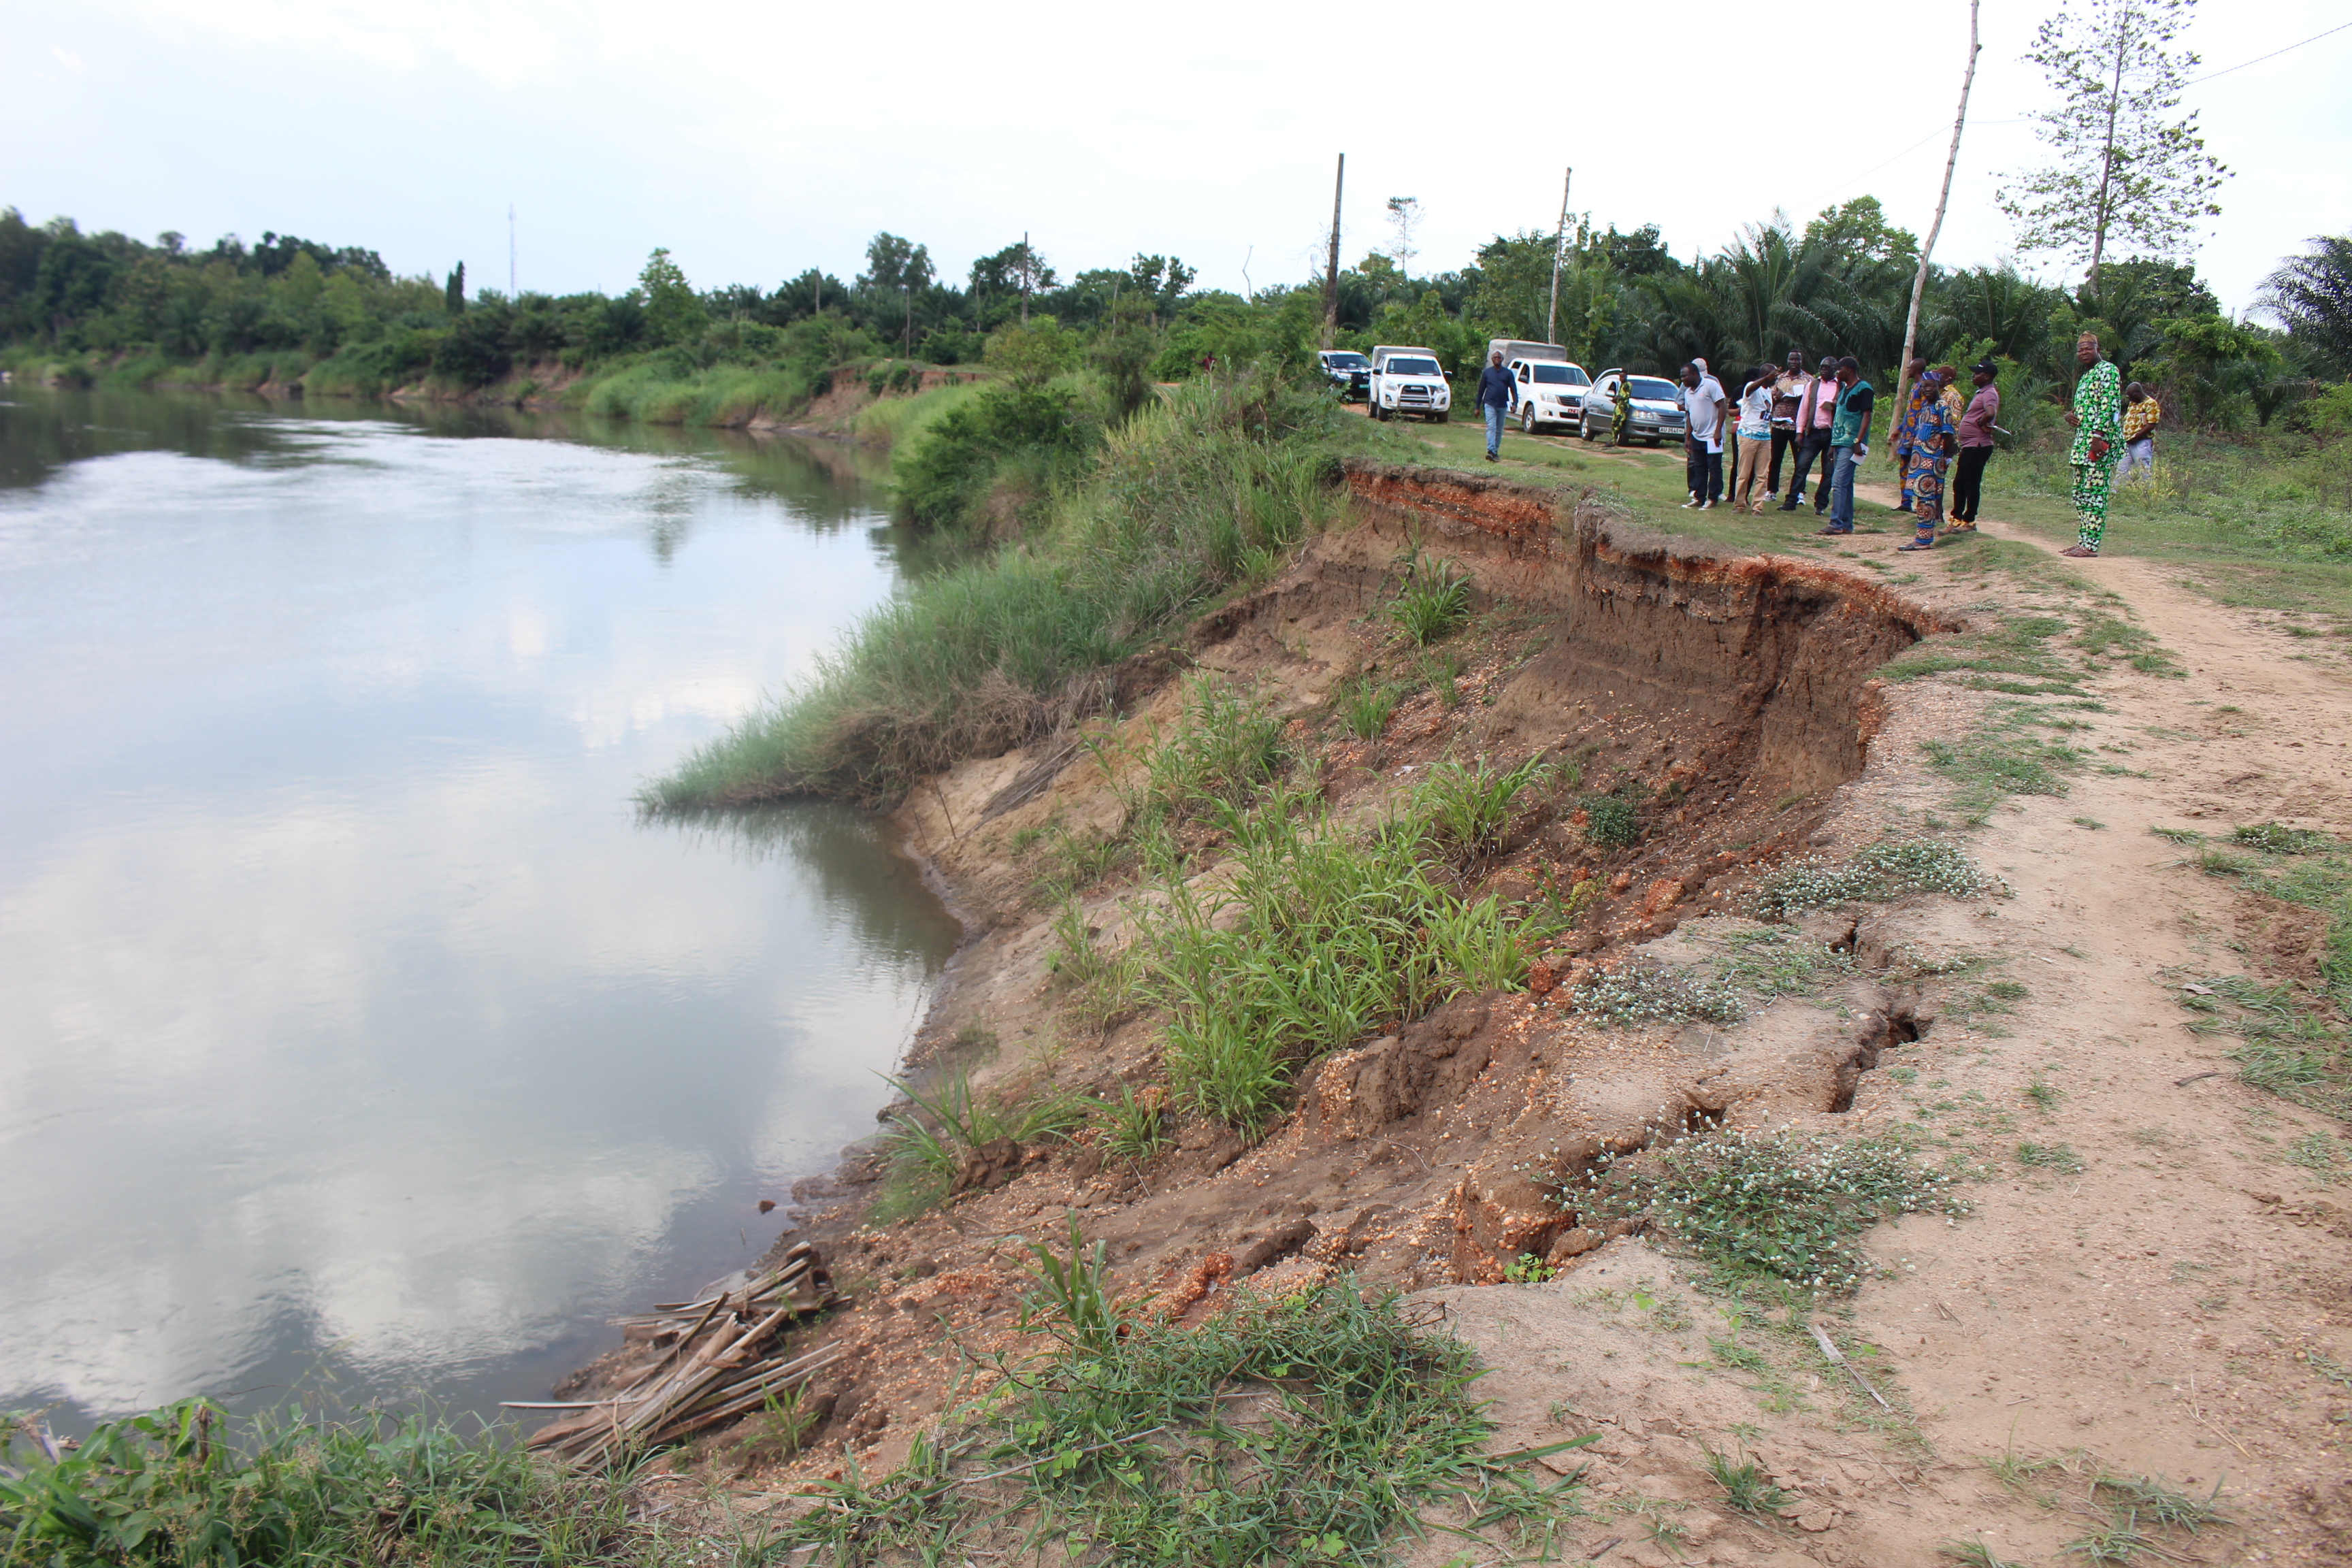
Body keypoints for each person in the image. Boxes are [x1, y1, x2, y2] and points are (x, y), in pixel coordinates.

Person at [2061, 333, 2122, 557]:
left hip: (2098, 445)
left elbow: (2111, 406)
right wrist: (2070, 415)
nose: (2083, 353)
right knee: (2081, 495)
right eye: (2080, 350)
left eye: (2088, 348)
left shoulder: (2108, 370)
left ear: (2098, 349)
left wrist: (2099, 436)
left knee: (2095, 494)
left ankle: (2090, 546)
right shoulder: (2087, 376)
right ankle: (2082, 542)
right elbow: (2086, 408)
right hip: (2082, 444)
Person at [1897, 367, 1957, 551]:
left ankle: (1923, 540)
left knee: (1927, 500)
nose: (1927, 389)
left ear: (1938, 386)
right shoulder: (1925, 407)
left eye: (1931, 386)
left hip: (1932, 460)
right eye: (1924, 387)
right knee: (1921, 500)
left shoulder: (1942, 407)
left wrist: (1941, 457)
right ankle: (1921, 537)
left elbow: (1948, 436)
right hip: (1919, 459)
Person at [1779, 355, 1841, 514]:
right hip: (1812, 432)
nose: (1823, 370)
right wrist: (1800, 432)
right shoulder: (1813, 384)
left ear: (1835, 369)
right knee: (1801, 467)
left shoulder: (1841, 386)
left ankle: (1820, 505)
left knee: (1828, 471)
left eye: (1827, 367)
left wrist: (1834, 406)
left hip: (1831, 434)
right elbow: (1804, 409)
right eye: (1821, 367)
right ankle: (1791, 501)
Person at [1819, 355, 1874, 536]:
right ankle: (1846, 524)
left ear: (1848, 370)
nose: (1836, 372)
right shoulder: (1843, 390)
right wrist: (1833, 444)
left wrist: (1859, 441)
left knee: (1838, 482)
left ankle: (1835, 523)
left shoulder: (1864, 389)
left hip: (1852, 443)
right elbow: (1839, 416)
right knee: (1846, 484)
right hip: (1840, 442)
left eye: (1839, 369)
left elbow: (1867, 415)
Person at [1948, 359, 2000, 531]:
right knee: (1959, 483)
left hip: (1978, 444)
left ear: (1987, 376)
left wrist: (1980, 423)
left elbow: (1991, 412)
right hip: (1970, 445)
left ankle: (1969, 521)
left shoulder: (1989, 393)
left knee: (1970, 483)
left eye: (1977, 373)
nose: (1973, 376)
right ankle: (1957, 519)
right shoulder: (1982, 392)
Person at [1678, 360, 1726, 508]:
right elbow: (1689, 415)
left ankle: (1713, 499)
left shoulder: (1711, 385)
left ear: (1694, 374)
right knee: (1699, 468)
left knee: (1714, 468)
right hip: (1697, 436)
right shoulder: (1687, 392)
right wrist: (1688, 437)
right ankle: (1699, 498)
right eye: (1681, 377)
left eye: (1685, 376)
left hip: (1712, 436)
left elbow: (1722, 407)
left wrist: (1718, 431)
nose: (1682, 380)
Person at [1765, 350, 1810, 504]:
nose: (1794, 362)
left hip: (1797, 426)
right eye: (1791, 359)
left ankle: (1799, 493)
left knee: (1800, 461)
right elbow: (1770, 398)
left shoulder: (1808, 380)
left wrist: (1801, 399)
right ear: (1788, 361)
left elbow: (1812, 401)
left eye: (1797, 359)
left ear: (1801, 361)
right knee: (1776, 459)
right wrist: (1778, 397)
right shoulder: (1779, 378)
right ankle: (1771, 491)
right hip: (1779, 424)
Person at [1886, 357, 1930, 512]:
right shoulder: (1914, 387)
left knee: (1917, 470)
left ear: (1916, 370)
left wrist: (1915, 436)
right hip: (1907, 435)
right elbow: (1910, 413)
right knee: (1904, 468)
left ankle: (1920, 503)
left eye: (1910, 368)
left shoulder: (1924, 387)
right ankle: (1905, 502)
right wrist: (1899, 430)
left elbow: (1923, 414)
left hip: (1916, 438)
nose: (1907, 371)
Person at [1731, 365, 1776, 512]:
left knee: (1762, 475)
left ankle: (1758, 507)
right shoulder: (1751, 386)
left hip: (1765, 437)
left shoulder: (1769, 391)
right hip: (1748, 436)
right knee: (1744, 473)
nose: (1776, 379)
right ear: (1766, 376)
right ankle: (1739, 504)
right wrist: (1765, 378)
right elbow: (1751, 390)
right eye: (1773, 376)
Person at [2116, 382, 2161, 485]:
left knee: (2143, 470)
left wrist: (2136, 437)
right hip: (2128, 442)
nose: (2130, 399)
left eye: (2131, 396)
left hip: (2141, 442)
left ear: (2137, 393)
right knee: (2122, 469)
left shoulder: (2151, 403)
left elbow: (2152, 424)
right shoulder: (2133, 403)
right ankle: (2117, 494)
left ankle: (2146, 495)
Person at [1477, 350, 1514, 462]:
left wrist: (1515, 403)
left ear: (1502, 359)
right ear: (1492, 360)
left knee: (1499, 430)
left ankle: (1495, 451)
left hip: (1502, 405)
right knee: (1491, 427)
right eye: (1495, 357)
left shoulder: (1508, 373)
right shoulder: (1487, 373)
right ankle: (1491, 451)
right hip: (1490, 403)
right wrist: (1477, 407)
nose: (1497, 359)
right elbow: (1481, 390)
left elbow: (1513, 389)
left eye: (1499, 357)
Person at [1607, 373, 1633, 447]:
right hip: (1619, 407)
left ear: (1626, 377)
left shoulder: (1628, 385)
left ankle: (1614, 441)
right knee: (1614, 422)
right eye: (1620, 377)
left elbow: (1626, 395)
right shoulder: (1621, 385)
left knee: (1619, 423)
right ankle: (1613, 439)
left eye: (1623, 377)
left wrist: (1617, 398)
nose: (1621, 378)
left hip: (1623, 407)